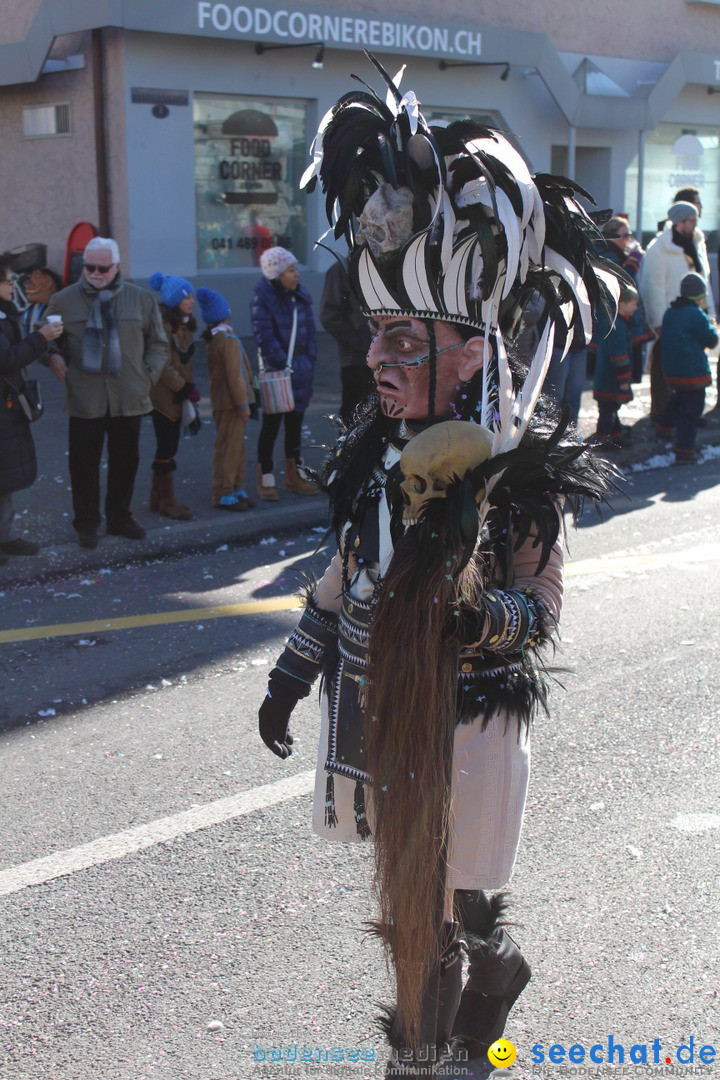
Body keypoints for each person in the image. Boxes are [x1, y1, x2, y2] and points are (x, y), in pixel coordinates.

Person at [256, 57, 623, 1078]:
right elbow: (339, 580)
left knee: (462, 902)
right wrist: (291, 675)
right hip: (384, 714)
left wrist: (478, 616)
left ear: (469, 353)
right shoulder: (374, 459)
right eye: (375, 332)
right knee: (407, 906)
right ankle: (428, 1059)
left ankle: (492, 984)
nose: (379, 356)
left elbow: (538, 610)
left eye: (405, 337)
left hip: (470, 724)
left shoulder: (516, 473)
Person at [44, 237, 167, 549]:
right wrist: (51, 356)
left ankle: (120, 518)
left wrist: (147, 377)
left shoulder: (141, 300)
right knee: (84, 464)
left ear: (116, 267)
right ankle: (87, 523)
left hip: (129, 394)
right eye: (89, 267)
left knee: (126, 460)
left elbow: (158, 344)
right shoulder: (63, 300)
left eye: (103, 267)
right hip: (86, 396)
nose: (95, 273)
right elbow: (45, 340)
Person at [0, 258, 64, 563]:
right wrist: (43, 338)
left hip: (6, 407)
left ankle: (6, 537)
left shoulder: (5, 312)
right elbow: (7, 359)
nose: (14, 285)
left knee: (5, 475)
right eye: (9, 281)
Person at [250, 246, 318, 499]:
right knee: (271, 426)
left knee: (295, 425)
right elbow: (264, 337)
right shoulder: (262, 299)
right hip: (277, 373)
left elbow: (311, 332)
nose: (296, 274)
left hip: (301, 369)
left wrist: (309, 360)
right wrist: (283, 364)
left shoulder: (300, 297)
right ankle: (265, 478)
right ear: (276, 274)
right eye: (290, 270)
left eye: (296, 269)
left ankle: (293, 475)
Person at [640, 201, 714, 424]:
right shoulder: (659, 248)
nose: (695, 224)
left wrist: (708, 310)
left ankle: (689, 413)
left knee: (691, 366)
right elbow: (652, 286)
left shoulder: (696, 242)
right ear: (680, 221)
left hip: (695, 314)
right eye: (692, 220)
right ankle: (661, 413)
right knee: (663, 366)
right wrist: (659, 321)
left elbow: (703, 280)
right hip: (670, 317)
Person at [198, 287, 256, 512]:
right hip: (232, 404)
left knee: (236, 448)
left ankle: (235, 486)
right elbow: (235, 377)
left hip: (225, 403)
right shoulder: (228, 340)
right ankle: (224, 491)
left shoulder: (218, 338)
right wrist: (244, 405)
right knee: (230, 449)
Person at [148, 271, 199, 520]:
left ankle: (157, 497)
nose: (191, 300)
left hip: (176, 395)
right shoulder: (165, 325)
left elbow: (183, 361)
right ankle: (166, 500)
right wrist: (182, 387)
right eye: (187, 297)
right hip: (164, 396)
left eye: (191, 296)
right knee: (166, 445)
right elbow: (164, 364)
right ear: (174, 300)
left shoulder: (182, 323)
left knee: (169, 444)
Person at [657, 272, 719, 464]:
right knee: (691, 412)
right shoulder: (696, 314)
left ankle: (665, 428)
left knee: (677, 399)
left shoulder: (670, 312)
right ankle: (685, 450)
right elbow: (712, 340)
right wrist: (712, 326)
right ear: (699, 297)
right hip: (693, 373)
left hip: (672, 371)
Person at [319, 257, 374, 423]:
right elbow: (330, 316)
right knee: (354, 414)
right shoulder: (342, 268)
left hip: (379, 356)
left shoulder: (376, 262)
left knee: (376, 413)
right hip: (356, 360)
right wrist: (361, 343)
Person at [599, 217, 651, 382]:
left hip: (625, 319)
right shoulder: (604, 254)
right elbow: (622, 278)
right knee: (613, 370)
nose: (630, 239)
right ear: (613, 236)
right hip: (612, 322)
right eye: (626, 235)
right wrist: (634, 258)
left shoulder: (619, 254)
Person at [591, 285, 642, 447]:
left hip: (606, 378)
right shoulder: (618, 327)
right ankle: (603, 439)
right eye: (633, 304)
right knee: (607, 411)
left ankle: (616, 434)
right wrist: (624, 380)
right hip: (610, 380)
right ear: (623, 303)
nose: (636, 307)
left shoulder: (615, 321)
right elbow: (619, 357)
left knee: (611, 408)